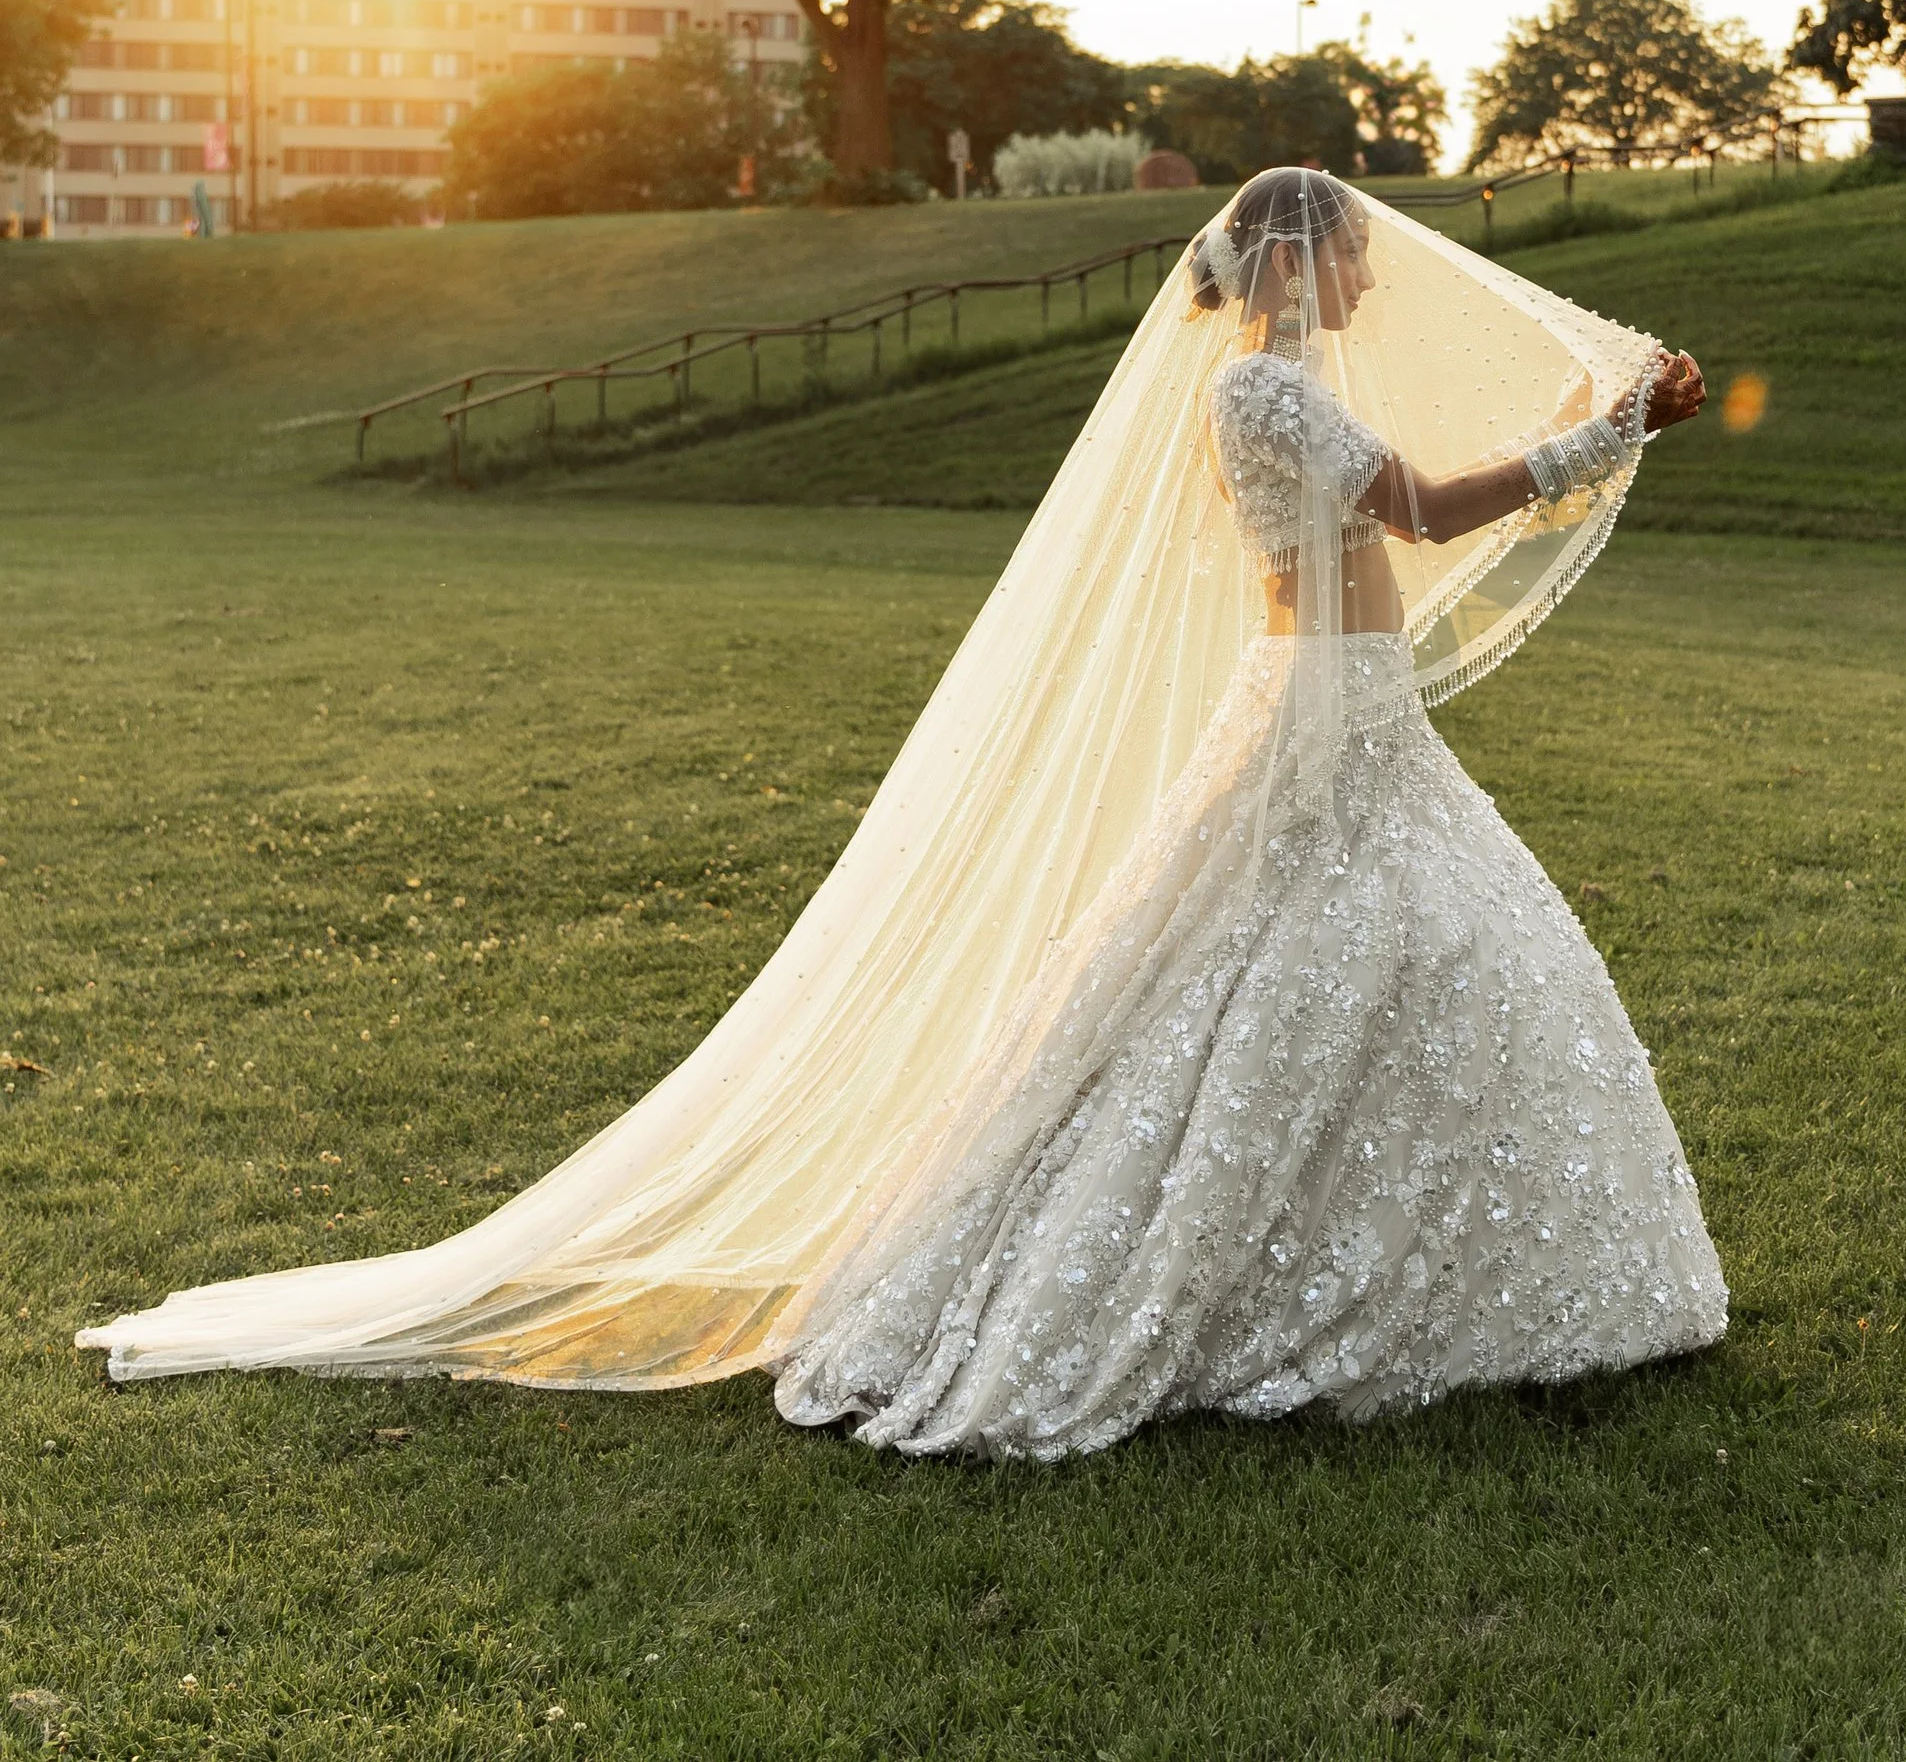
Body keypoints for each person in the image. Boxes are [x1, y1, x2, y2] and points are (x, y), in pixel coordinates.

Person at [82, 170, 1727, 1453]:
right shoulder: (1262, 394)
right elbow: (1430, 511)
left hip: (1348, 715)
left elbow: (1398, 512)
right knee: (1276, 980)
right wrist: (1601, 435)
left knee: (1398, 963)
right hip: (1320, 723)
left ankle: (1421, 1262)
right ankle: (1235, 1282)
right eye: (1352, 253)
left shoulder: (1289, 389)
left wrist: (1591, 431)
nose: (1373, 275)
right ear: (1291, 266)